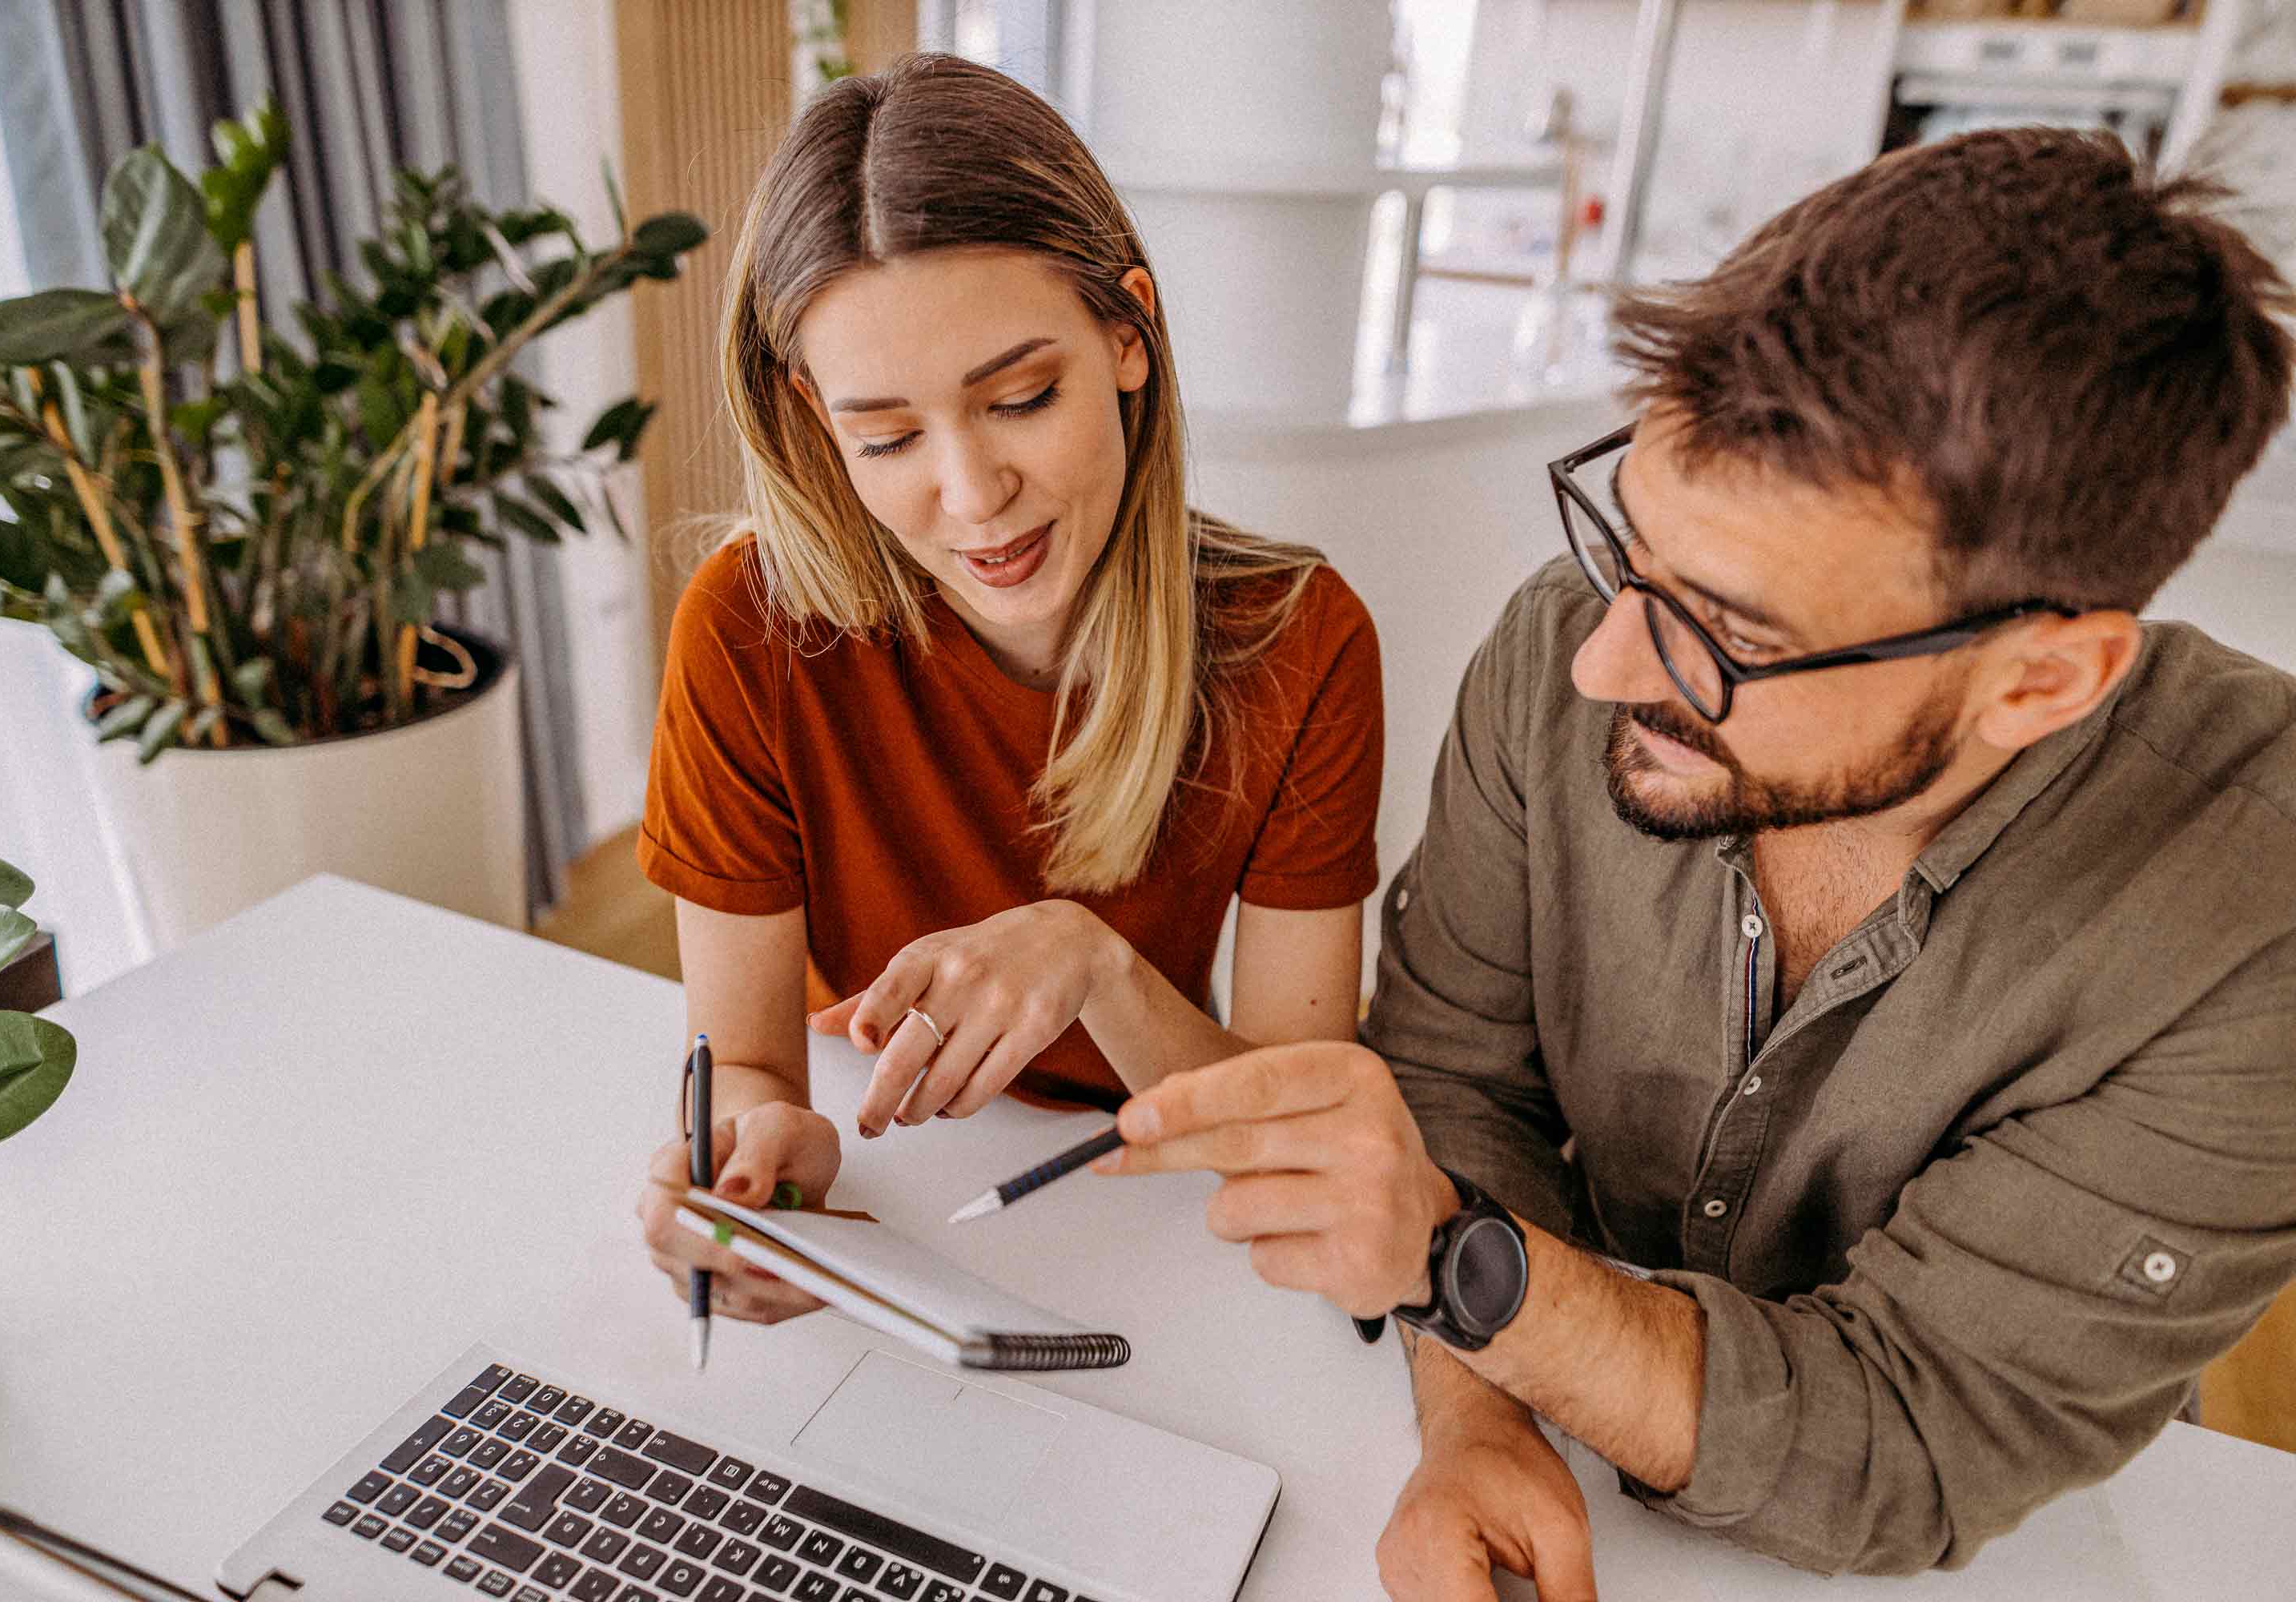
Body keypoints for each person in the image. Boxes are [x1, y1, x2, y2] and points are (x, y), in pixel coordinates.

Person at [1093, 127, 2296, 1597]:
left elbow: (1909, 1442)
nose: (1605, 664)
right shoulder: (1567, 643)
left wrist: (1466, 1270)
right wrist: (1475, 1415)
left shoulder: (2256, 922)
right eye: (1631, 543)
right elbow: (1461, 1076)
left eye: (1731, 635)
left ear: (2040, 684)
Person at [633, 54, 1384, 1327]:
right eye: (886, 439)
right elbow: (751, 1059)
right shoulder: (747, 632)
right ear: (817, 423)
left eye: (1022, 398)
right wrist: (765, 1162)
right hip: (893, 1189)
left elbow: (1297, 1131)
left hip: (1148, 1211)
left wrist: (1097, 967)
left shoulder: (1298, 644)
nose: (973, 498)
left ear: (1128, 336)